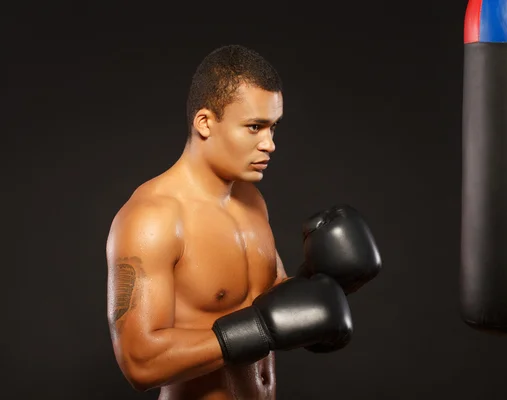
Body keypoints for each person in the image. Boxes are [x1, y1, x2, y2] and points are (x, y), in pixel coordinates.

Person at [105, 44, 382, 400]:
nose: (270, 144)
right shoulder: (152, 218)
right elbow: (140, 363)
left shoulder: (250, 200)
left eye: (273, 127)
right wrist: (261, 328)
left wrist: (325, 285)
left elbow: (270, 303)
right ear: (205, 123)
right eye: (255, 127)